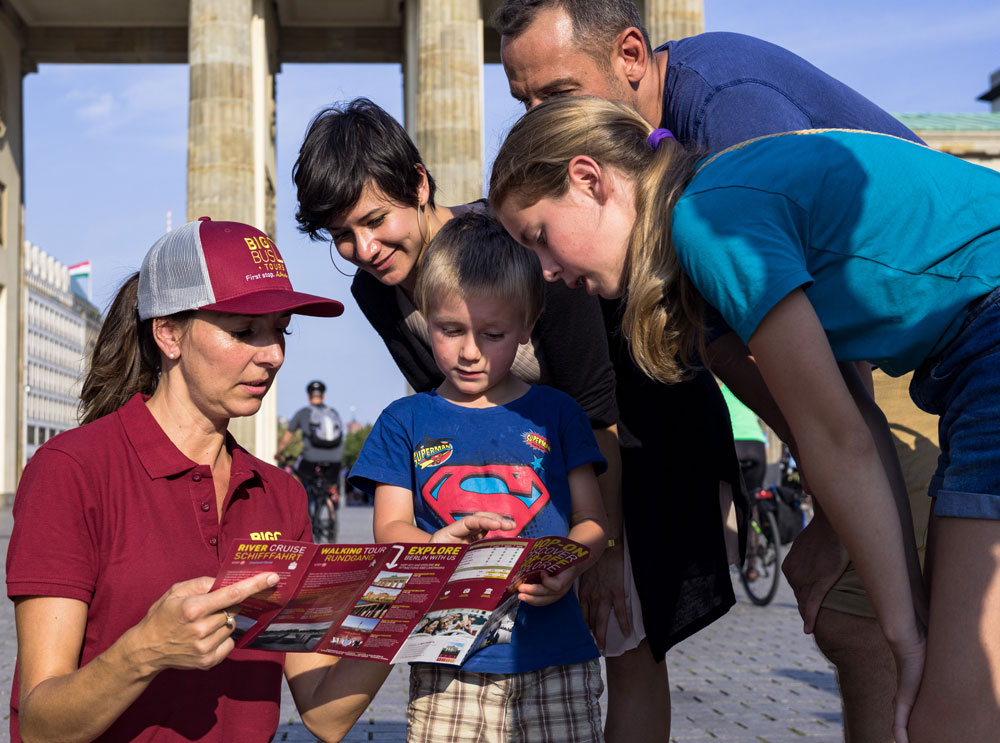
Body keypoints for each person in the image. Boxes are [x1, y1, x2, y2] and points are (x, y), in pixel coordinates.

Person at [488, 93, 1000, 742]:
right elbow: (855, 420)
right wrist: (908, 624)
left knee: (950, 716)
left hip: (991, 336)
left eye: (539, 237)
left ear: (591, 180)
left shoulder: (708, 220)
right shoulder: (709, 244)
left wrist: (909, 639)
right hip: (970, 360)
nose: (547, 272)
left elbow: (837, 438)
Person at [5, 217, 512, 743]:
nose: (273, 355)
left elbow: (324, 713)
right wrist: (144, 650)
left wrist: (423, 584)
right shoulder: (72, 470)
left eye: (279, 331)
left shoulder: (280, 496)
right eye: (245, 331)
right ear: (169, 333)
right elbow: (42, 726)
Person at [349, 212, 609, 743]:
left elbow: (592, 521)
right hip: (446, 661)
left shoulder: (557, 414)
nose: (470, 352)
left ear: (527, 327)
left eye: (492, 334)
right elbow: (390, 529)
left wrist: (570, 564)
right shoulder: (405, 421)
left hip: (555, 656)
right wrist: (433, 548)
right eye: (450, 330)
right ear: (425, 317)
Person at [277, 379, 344, 541]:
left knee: (295, 477)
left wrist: (279, 452)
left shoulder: (303, 413)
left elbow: (287, 437)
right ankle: (331, 508)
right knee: (328, 488)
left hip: (310, 457)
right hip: (335, 458)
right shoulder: (333, 412)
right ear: (324, 395)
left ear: (308, 396)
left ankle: (300, 509)